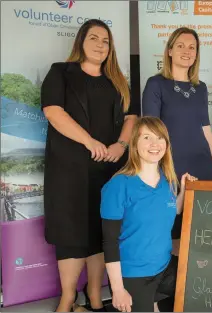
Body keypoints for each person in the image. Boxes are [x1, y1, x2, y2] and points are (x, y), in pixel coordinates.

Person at [41, 19, 138, 312]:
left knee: (101, 229)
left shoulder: (118, 80)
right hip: (68, 168)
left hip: (107, 168)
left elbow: (132, 117)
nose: (100, 44)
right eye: (93, 38)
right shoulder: (61, 72)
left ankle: (95, 293)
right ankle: (68, 296)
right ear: (81, 42)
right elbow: (53, 111)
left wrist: (120, 145)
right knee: (70, 230)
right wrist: (89, 142)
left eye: (106, 40)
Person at [100, 117, 197, 312]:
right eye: (147, 137)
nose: (155, 144)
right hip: (134, 275)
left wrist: (183, 191)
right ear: (134, 143)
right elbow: (109, 242)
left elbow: (170, 211)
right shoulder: (118, 185)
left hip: (164, 267)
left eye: (160, 138)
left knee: (200, 288)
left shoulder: (168, 180)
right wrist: (118, 290)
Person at [142, 27, 212, 241]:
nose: (186, 51)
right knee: (173, 230)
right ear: (169, 51)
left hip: (202, 167)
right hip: (170, 168)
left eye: (192, 47)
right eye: (180, 46)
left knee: (201, 230)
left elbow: (205, 128)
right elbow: (150, 132)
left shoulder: (201, 87)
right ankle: (174, 275)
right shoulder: (155, 84)